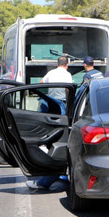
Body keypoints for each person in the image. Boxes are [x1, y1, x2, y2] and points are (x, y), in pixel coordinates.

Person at [26, 56, 72, 191]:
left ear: (57, 64)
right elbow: (68, 90)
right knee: (62, 135)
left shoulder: (51, 73)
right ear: (67, 65)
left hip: (50, 105)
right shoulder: (67, 74)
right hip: (61, 105)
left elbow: (41, 82)